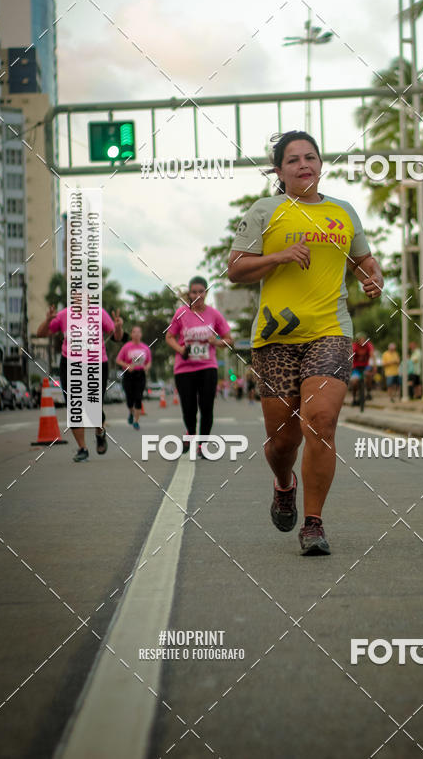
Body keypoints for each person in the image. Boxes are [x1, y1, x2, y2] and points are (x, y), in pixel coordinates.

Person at [228, 130, 383, 556]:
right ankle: (284, 483)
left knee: (321, 420)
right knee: (283, 441)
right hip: (275, 339)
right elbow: (235, 270)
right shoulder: (265, 211)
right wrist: (278, 256)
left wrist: (373, 273)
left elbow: (363, 258)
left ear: (320, 163)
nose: (303, 165)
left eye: (310, 157)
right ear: (279, 171)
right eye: (292, 160)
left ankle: (313, 523)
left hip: (331, 332)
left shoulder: (343, 212)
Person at [36, 303, 124, 461]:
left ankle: (99, 432)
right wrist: (48, 319)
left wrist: (117, 327)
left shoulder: (100, 313)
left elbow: (117, 337)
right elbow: (41, 333)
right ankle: (82, 448)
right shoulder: (63, 315)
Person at [165, 276, 233, 454]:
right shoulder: (181, 313)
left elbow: (229, 340)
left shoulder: (214, 314)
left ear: (206, 293)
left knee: (206, 406)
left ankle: (202, 445)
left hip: (207, 367)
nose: (197, 295)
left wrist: (216, 341)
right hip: (184, 368)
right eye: (194, 292)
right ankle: (191, 433)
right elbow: (169, 336)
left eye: (200, 292)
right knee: (188, 407)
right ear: (189, 294)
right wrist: (180, 351)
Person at [116, 325, 152, 429]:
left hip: (140, 375)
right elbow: (118, 360)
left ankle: (136, 421)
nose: (136, 334)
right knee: (129, 399)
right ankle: (131, 412)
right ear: (131, 334)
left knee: (138, 398)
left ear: (141, 334)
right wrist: (127, 366)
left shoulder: (145, 348)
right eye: (134, 332)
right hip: (129, 375)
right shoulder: (126, 347)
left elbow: (149, 362)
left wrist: (146, 367)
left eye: (138, 332)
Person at [351, 332, 375, 405]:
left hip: (366, 366)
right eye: (360, 340)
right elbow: (351, 356)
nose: (362, 341)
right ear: (357, 340)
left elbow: (372, 355)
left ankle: (368, 392)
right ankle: (354, 398)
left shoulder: (368, 345)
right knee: (354, 382)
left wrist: (374, 366)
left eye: (363, 339)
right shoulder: (354, 346)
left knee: (368, 375)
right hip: (356, 367)